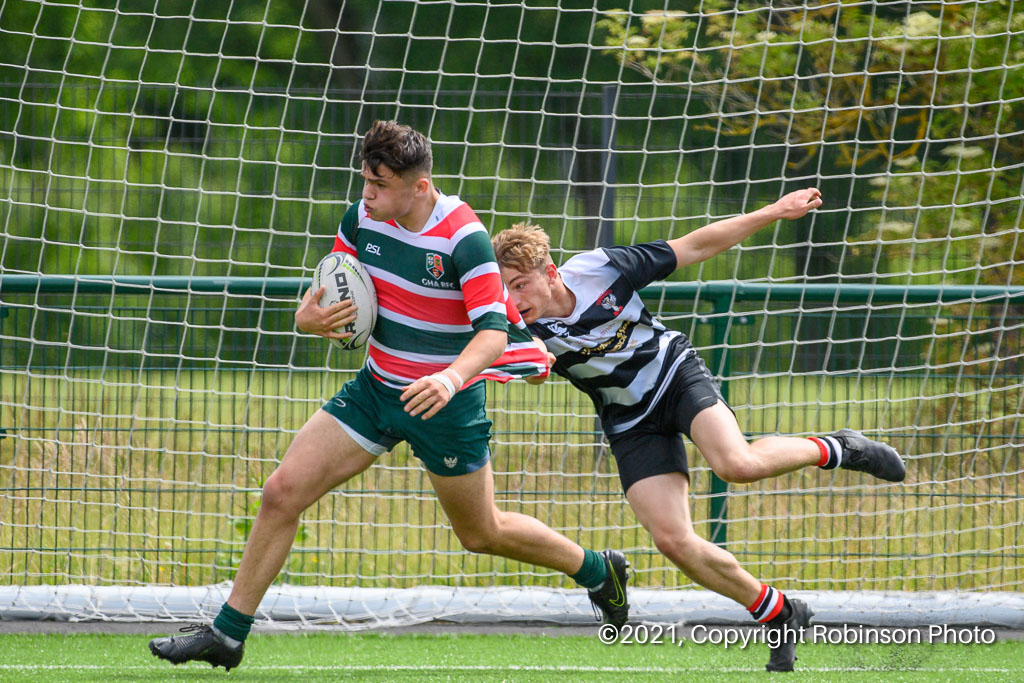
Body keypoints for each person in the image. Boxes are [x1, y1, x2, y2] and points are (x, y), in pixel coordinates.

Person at [149, 121, 630, 671]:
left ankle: (598, 571)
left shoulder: (463, 238)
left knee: (481, 533)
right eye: (365, 180)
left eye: (379, 184)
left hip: (445, 406)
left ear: (419, 187)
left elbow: (493, 334)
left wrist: (448, 379)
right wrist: (309, 318)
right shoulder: (360, 219)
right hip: (376, 391)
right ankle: (228, 634)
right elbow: (333, 288)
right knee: (282, 493)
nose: (367, 194)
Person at [491, 188, 907, 672]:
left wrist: (775, 211)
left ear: (550, 273)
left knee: (736, 464)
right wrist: (527, 363)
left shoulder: (603, 268)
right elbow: (519, 363)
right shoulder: (516, 326)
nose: (514, 300)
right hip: (630, 419)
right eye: (505, 291)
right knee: (673, 541)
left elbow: (696, 245)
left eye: (520, 285)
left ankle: (839, 447)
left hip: (675, 376)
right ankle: (780, 612)